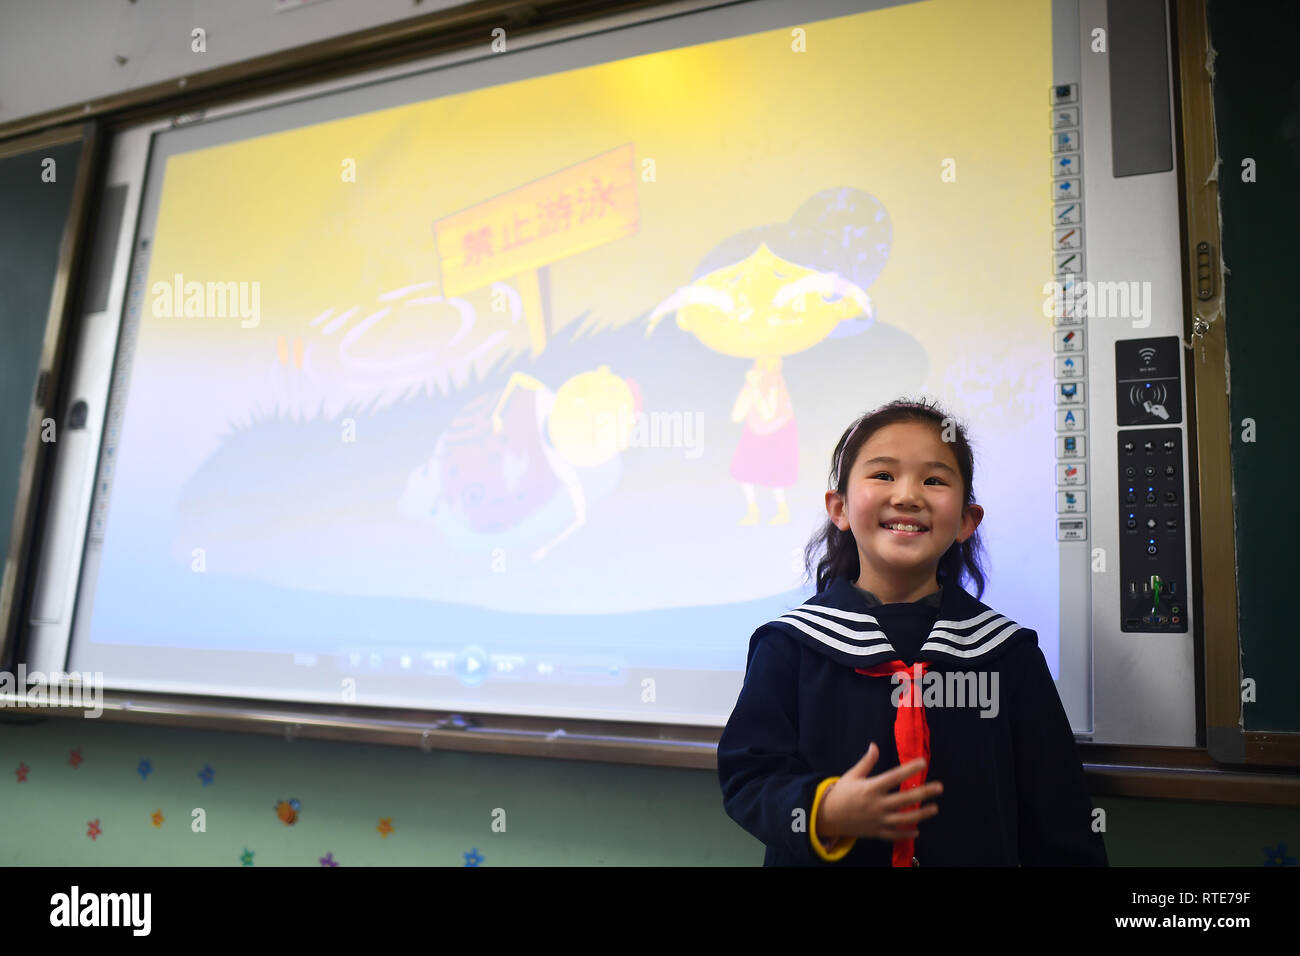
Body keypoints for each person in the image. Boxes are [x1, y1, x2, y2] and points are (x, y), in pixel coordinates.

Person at [717, 398, 1108, 866]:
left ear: (966, 520)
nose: (907, 495)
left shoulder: (1008, 654)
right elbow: (749, 776)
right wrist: (820, 809)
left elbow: (1060, 816)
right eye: (883, 475)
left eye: (934, 480)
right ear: (838, 508)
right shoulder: (789, 646)